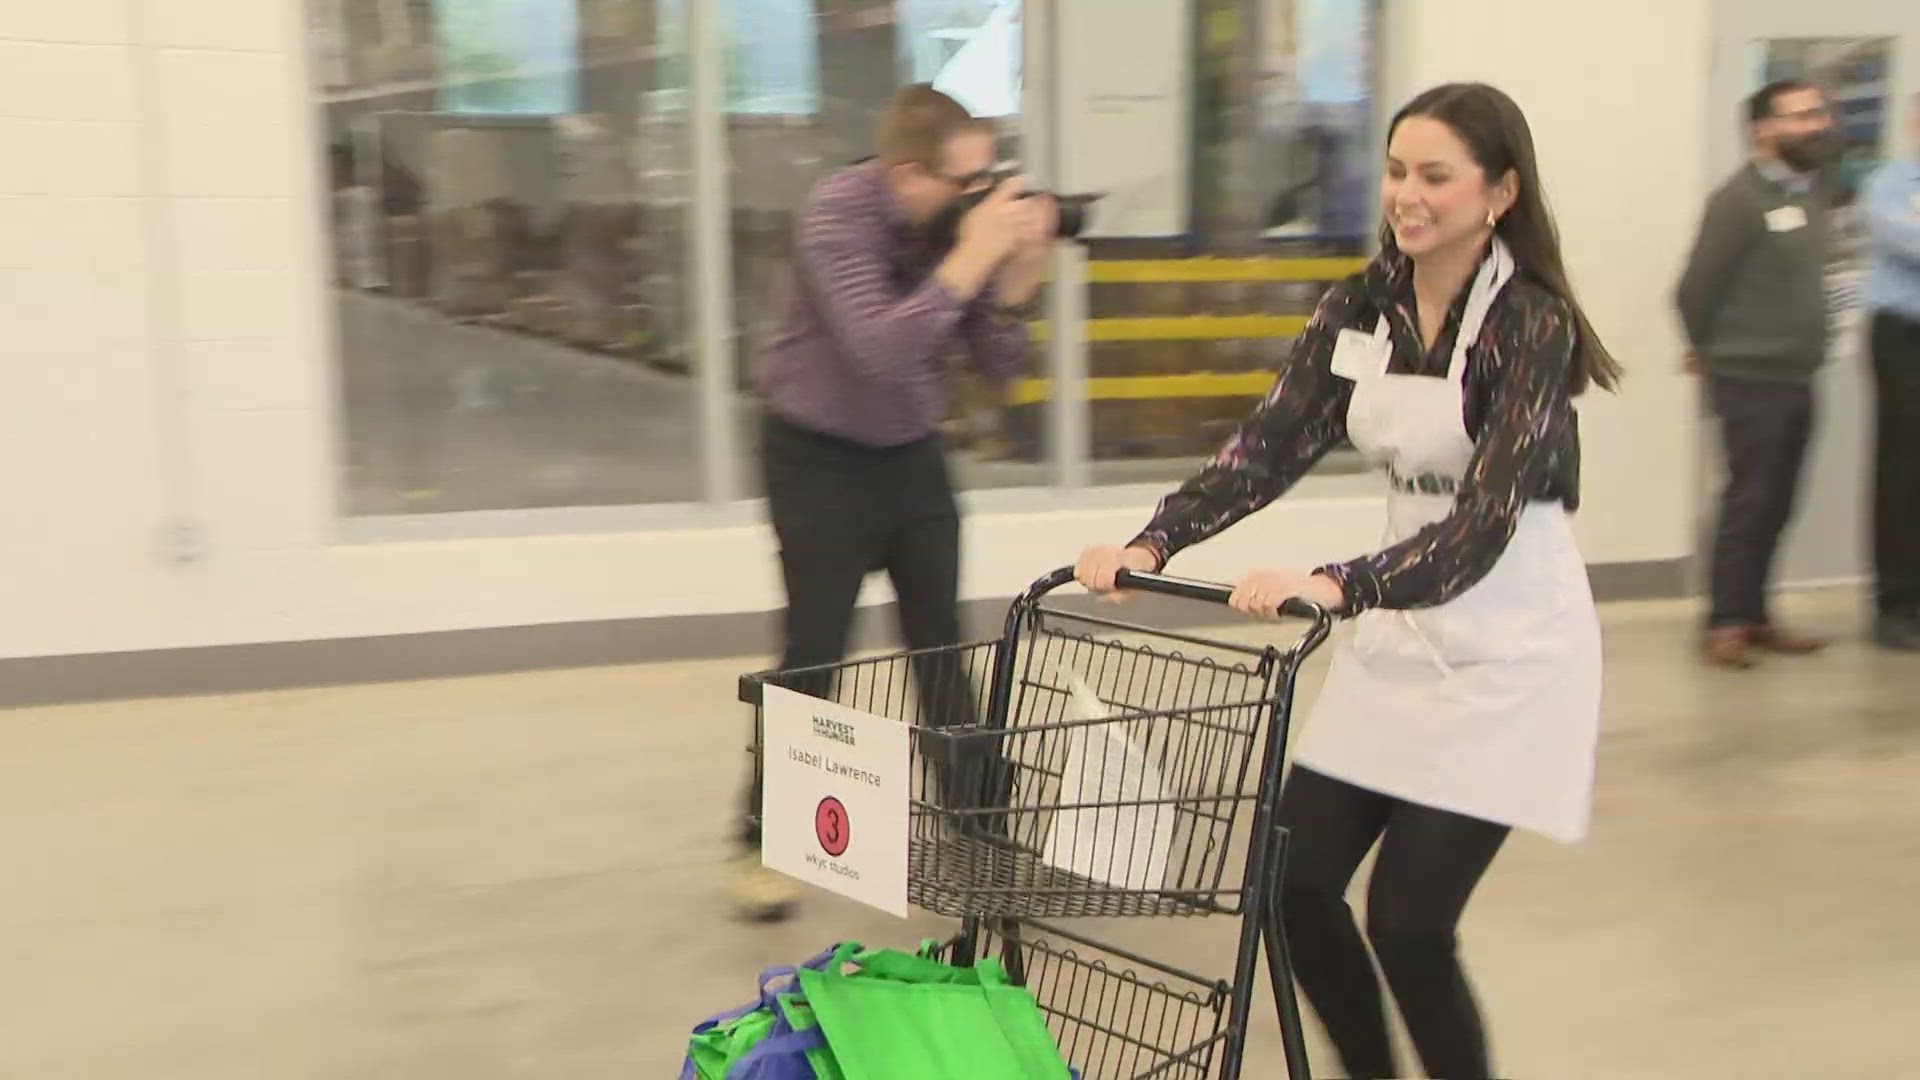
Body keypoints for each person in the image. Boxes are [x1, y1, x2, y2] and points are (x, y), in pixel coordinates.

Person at [1076, 82, 1615, 1080]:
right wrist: (1156, 543)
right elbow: (1269, 445)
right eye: (1398, 171)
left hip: (1507, 645)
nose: (1407, 195)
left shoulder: (1529, 325)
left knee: (1409, 928)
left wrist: (1333, 583)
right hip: (1397, 630)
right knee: (1293, 887)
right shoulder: (1360, 305)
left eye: (1436, 177)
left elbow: (1485, 525)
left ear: (1499, 191)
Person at [729, 84, 1057, 921]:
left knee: (940, 644)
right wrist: (974, 257)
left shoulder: (956, 233)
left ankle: (980, 830)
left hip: (909, 452)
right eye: (966, 183)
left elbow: (1003, 369)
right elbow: (881, 347)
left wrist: (1016, 285)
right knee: (814, 652)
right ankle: (764, 838)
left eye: (991, 181)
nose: (981, 199)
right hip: (814, 454)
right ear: (909, 174)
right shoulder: (839, 214)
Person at [1675, 79, 1836, 669]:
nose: (1815, 125)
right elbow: (1695, 289)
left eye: (1817, 113)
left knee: (1779, 500)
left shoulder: (1813, 195)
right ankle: (1726, 622)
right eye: (1798, 117)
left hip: (1799, 375)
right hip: (1750, 377)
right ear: (1761, 130)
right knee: (1749, 499)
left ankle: (1757, 614)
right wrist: (1708, 350)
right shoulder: (1739, 200)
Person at [1859, 95, 1920, 651]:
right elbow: (1909, 240)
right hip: (1904, 335)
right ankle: (1896, 605)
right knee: (1904, 468)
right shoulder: (1893, 184)